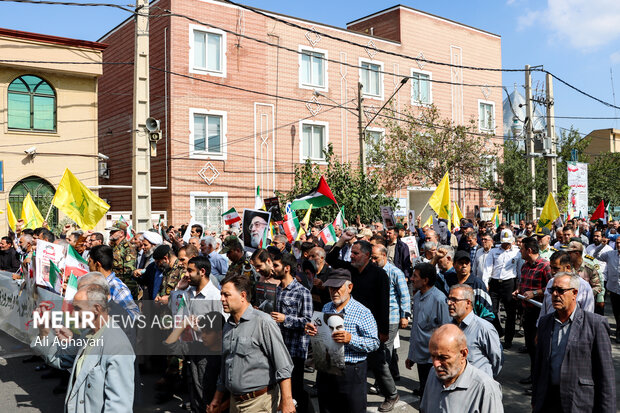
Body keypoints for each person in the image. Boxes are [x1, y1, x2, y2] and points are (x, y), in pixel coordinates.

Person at [31, 284, 135, 412]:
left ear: (96, 309)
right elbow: (59, 359)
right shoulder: (87, 334)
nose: (73, 314)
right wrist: (44, 331)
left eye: (77, 308)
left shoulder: (118, 347)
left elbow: (119, 408)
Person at [326, 232, 396, 411]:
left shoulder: (379, 274)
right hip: (348, 321)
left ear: (366, 255)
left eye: (356, 253)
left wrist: (383, 330)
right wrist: (342, 240)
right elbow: (331, 257)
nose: (352, 256)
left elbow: (384, 303)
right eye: (352, 253)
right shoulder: (349, 270)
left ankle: (391, 394)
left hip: (370, 325)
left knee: (377, 362)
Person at [208, 274, 295, 413]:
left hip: (260, 404)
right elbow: (225, 366)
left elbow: (283, 366)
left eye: (226, 295)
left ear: (242, 295)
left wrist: (287, 401)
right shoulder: (228, 326)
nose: (222, 299)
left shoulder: (263, 322)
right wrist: (217, 399)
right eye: (221, 294)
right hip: (234, 403)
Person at [532, 273, 616, 413]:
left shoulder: (595, 324)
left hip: (579, 403)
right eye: (552, 290)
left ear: (574, 293)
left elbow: (605, 375)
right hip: (547, 401)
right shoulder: (545, 322)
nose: (555, 294)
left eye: (560, 290)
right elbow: (539, 366)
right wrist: (535, 399)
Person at [305, 270, 380, 413]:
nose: (334, 292)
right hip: (327, 368)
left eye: (338, 288)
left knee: (353, 409)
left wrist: (351, 339)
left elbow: (374, 343)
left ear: (350, 287)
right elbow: (321, 336)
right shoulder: (327, 307)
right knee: (326, 408)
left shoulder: (362, 312)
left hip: (351, 370)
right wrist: (312, 331)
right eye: (331, 288)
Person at [165, 255, 224, 413]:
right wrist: (178, 289)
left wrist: (201, 326)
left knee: (205, 393)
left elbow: (222, 325)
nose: (186, 274)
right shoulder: (188, 292)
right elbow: (176, 312)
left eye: (190, 271)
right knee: (193, 391)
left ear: (202, 272)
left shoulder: (215, 296)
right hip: (190, 349)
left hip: (209, 353)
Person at [420, 324, 503, 413]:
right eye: (433, 356)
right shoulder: (433, 373)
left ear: (463, 354)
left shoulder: (485, 388)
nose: (436, 364)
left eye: (443, 358)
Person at [271, 252, 312, 413]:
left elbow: (307, 322)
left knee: (295, 390)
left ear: (287, 268)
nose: (273, 269)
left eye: (276, 266)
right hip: (278, 346)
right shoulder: (277, 290)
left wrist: (285, 318)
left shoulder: (302, 292)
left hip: (295, 350)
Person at [406, 262, 451, 398]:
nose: (412, 279)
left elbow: (447, 330)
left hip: (434, 360)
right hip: (420, 356)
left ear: (425, 280)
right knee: (425, 391)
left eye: (415, 276)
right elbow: (416, 330)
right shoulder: (418, 296)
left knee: (434, 395)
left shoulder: (439, 299)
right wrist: (411, 355)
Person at [370, 244, 411, 384]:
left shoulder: (395, 272)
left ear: (384, 256)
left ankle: (382, 383)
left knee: (384, 349)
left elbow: (404, 295)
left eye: (375, 258)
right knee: (388, 348)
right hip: (376, 316)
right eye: (371, 258)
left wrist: (404, 316)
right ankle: (394, 373)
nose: (373, 261)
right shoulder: (372, 271)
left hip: (391, 317)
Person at [513, 236, 551, 386]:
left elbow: (551, 288)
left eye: (521, 248)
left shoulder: (545, 266)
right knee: (530, 345)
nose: (520, 251)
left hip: (540, 313)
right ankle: (534, 375)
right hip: (527, 311)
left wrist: (535, 293)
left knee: (539, 347)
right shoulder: (525, 266)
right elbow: (522, 284)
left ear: (529, 250)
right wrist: (518, 291)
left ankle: (539, 380)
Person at [448, 284, 502, 378]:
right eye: (449, 299)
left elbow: (497, 359)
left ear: (468, 303)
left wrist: (486, 379)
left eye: (454, 300)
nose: (449, 303)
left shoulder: (484, 328)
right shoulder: (449, 327)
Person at [483, 229, 520, 348]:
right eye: (504, 242)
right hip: (494, 283)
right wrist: (485, 283)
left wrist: (518, 286)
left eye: (508, 242)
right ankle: (499, 331)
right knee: (491, 311)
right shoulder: (493, 251)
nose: (505, 245)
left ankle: (508, 340)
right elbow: (488, 268)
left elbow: (519, 271)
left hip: (509, 283)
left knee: (510, 313)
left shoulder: (517, 253)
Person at [88, 245, 140, 319]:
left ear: (97, 264)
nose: (88, 265)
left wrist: (109, 302)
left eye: (90, 262)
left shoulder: (116, 287)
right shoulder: (95, 284)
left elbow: (134, 316)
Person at [566, 241, 604, 314]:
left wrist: (585, 295)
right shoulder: (566, 268)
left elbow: (597, 286)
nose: (567, 255)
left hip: (585, 305)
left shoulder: (589, 269)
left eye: (569, 253)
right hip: (569, 303)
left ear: (577, 254)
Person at [596, 237, 620, 342]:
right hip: (613, 289)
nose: (619, 245)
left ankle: (619, 332)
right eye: (618, 243)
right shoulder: (610, 254)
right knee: (616, 311)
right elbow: (596, 255)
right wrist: (602, 245)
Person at [107, 221, 139, 300]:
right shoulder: (113, 247)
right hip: (113, 286)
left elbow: (129, 271)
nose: (110, 233)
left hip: (125, 288)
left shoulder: (128, 248)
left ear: (121, 233)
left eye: (114, 231)